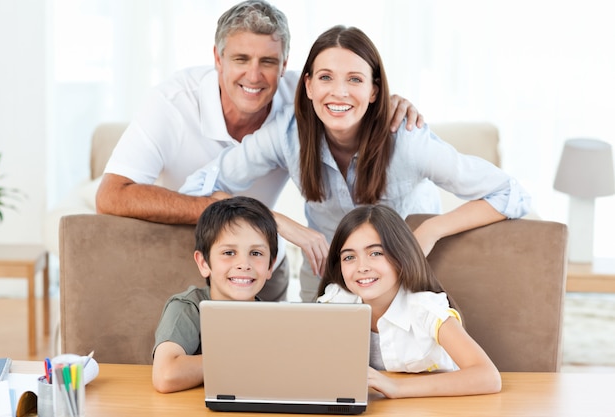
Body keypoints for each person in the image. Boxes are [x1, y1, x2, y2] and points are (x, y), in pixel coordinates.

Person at [95, 1, 423, 302]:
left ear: (285, 65)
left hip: (265, 264)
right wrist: (223, 207)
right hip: (187, 254)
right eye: (240, 59)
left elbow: (350, 90)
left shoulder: (306, 96)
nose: (254, 76)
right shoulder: (171, 103)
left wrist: (391, 105)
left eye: (267, 61)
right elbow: (110, 195)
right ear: (217, 58)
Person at [179, 25, 531, 302]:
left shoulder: (407, 139)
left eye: (355, 80)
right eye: (326, 78)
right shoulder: (287, 134)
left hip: (401, 279)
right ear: (309, 86)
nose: (340, 92)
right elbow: (197, 187)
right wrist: (280, 224)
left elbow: (510, 193)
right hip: (326, 279)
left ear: (375, 90)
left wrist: (430, 230)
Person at [317, 204, 502, 398]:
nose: (362, 267)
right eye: (349, 257)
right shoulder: (336, 301)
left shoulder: (426, 309)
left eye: (376, 253)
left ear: (401, 255)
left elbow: (488, 377)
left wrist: (396, 388)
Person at [151, 196, 278, 393]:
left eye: (256, 253)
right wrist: (242, 358)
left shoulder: (275, 317)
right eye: (229, 253)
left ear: (270, 265)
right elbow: (166, 375)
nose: (244, 264)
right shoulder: (187, 308)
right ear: (203, 263)